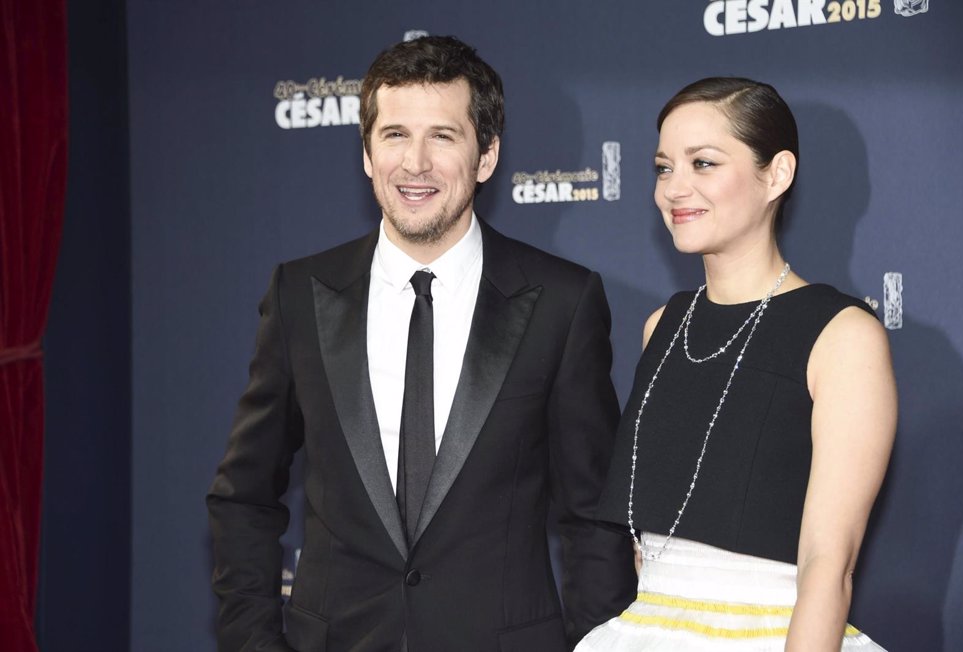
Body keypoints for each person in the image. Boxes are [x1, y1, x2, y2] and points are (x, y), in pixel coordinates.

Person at [206, 35, 634, 652]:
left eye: (443, 136)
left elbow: (594, 517)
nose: (415, 163)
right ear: (366, 153)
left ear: (485, 156)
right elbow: (243, 495)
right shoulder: (300, 293)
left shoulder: (561, 302)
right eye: (395, 135)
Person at [576, 77, 897, 651]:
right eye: (663, 167)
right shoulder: (661, 326)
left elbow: (829, 563)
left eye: (703, 164)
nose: (676, 188)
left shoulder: (842, 335)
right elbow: (645, 543)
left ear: (776, 174)